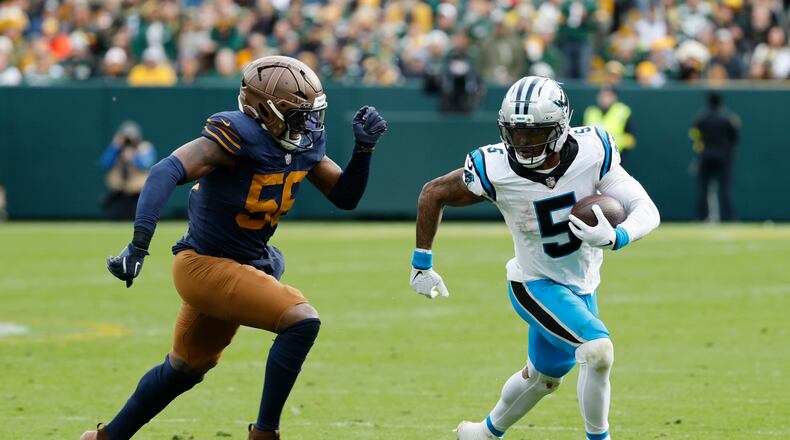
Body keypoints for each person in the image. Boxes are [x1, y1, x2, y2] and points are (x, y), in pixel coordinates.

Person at [81, 56, 387, 440]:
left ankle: (105, 438)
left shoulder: (302, 144)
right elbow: (166, 171)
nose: (308, 125)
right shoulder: (237, 133)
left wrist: (363, 153)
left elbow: (344, 197)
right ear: (264, 110)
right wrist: (139, 244)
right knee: (301, 320)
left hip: (243, 266)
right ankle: (265, 433)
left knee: (186, 368)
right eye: (297, 115)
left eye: (312, 115)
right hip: (203, 266)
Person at [409, 76, 659, 440]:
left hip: (582, 283)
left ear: (560, 127)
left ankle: (481, 433)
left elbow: (645, 208)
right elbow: (433, 193)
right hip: (534, 283)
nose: (523, 144)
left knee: (543, 377)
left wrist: (618, 235)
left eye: (534, 133)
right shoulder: (494, 167)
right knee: (598, 350)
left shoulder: (593, 151)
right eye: (515, 133)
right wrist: (422, 263)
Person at [690, 92, 739, 222]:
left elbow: (695, 136)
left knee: (703, 189)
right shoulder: (728, 118)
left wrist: (699, 151)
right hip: (724, 157)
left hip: (705, 155)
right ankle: (729, 217)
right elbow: (735, 138)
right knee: (726, 188)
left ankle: (701, 217)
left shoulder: (701, 118)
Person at [99, 122, 157, 220]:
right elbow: (105, 163)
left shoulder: (144, 147)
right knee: (116, 217)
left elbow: (147, 165)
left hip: (139, 193)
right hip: (120, 192)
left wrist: (134, 157)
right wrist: (115, 147)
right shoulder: (117, 149)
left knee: (140, 218)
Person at [583, 86, 636, 163]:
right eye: (603, 95)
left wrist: (619, 156)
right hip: (594, 159)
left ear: (614, 97)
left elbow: (630, 138)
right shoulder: (591, 112)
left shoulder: (623, 111)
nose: (605, 99)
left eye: (609, 96)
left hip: (616, 158)